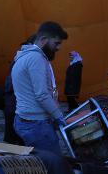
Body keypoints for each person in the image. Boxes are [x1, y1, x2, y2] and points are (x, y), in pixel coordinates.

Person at [12, 21, 68, 154]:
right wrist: (58, 116)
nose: (58, 48)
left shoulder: (23, 57)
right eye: (56, 43)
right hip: (36, 124)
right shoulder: (36, 58)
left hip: (25, 120)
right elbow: (41, 94)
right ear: (43, 40)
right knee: (53, 163)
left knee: (41, 162)